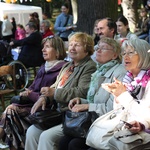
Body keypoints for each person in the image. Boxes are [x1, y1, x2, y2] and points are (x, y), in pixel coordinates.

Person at [25, 32, 97, 150]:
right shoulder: (68, 66)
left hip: (73, 117)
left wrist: (54, 93)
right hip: (58, 113)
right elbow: (55, 85)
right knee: (32, 131)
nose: (72, 48)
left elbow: (82, 92)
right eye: (71, 44)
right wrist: (44, 97)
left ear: (87, 49)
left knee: (46, 137)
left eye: (77, 45)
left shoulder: (89, 66)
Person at [58, 37, 127, 150]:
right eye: (97, 48)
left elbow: (113, 109)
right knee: (64, 141)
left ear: (114, 55)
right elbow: (94, 100)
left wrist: (87, 106)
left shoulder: (119, 73)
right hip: (92, 121)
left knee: (74, 144)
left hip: (107, 125)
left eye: (103, 48)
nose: (98, 51)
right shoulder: (99, 71)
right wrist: (80, 100)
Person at [0, 36, 67, 150]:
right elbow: (32, 86)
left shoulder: (62, 69)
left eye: (47, 47)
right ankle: (17, 145)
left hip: (47, 108)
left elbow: (49, 96)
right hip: (31, 104)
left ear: (57, 51)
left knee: (11, 111)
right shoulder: (43, 67)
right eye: (43, 47)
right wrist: (27, 93)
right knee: (11, 114)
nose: (43, 50)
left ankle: (14, 145)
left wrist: (30, 94)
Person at [101, 38, 150, 150]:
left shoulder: (148, 80)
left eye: (131, 52)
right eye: (124, 53)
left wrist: (123, 95)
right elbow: (120, 111)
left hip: (141, 136)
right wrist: (117, 96)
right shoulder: (128, 79)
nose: (125, 56)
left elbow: (145, 114)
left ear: (143, 55)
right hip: (124, 130)